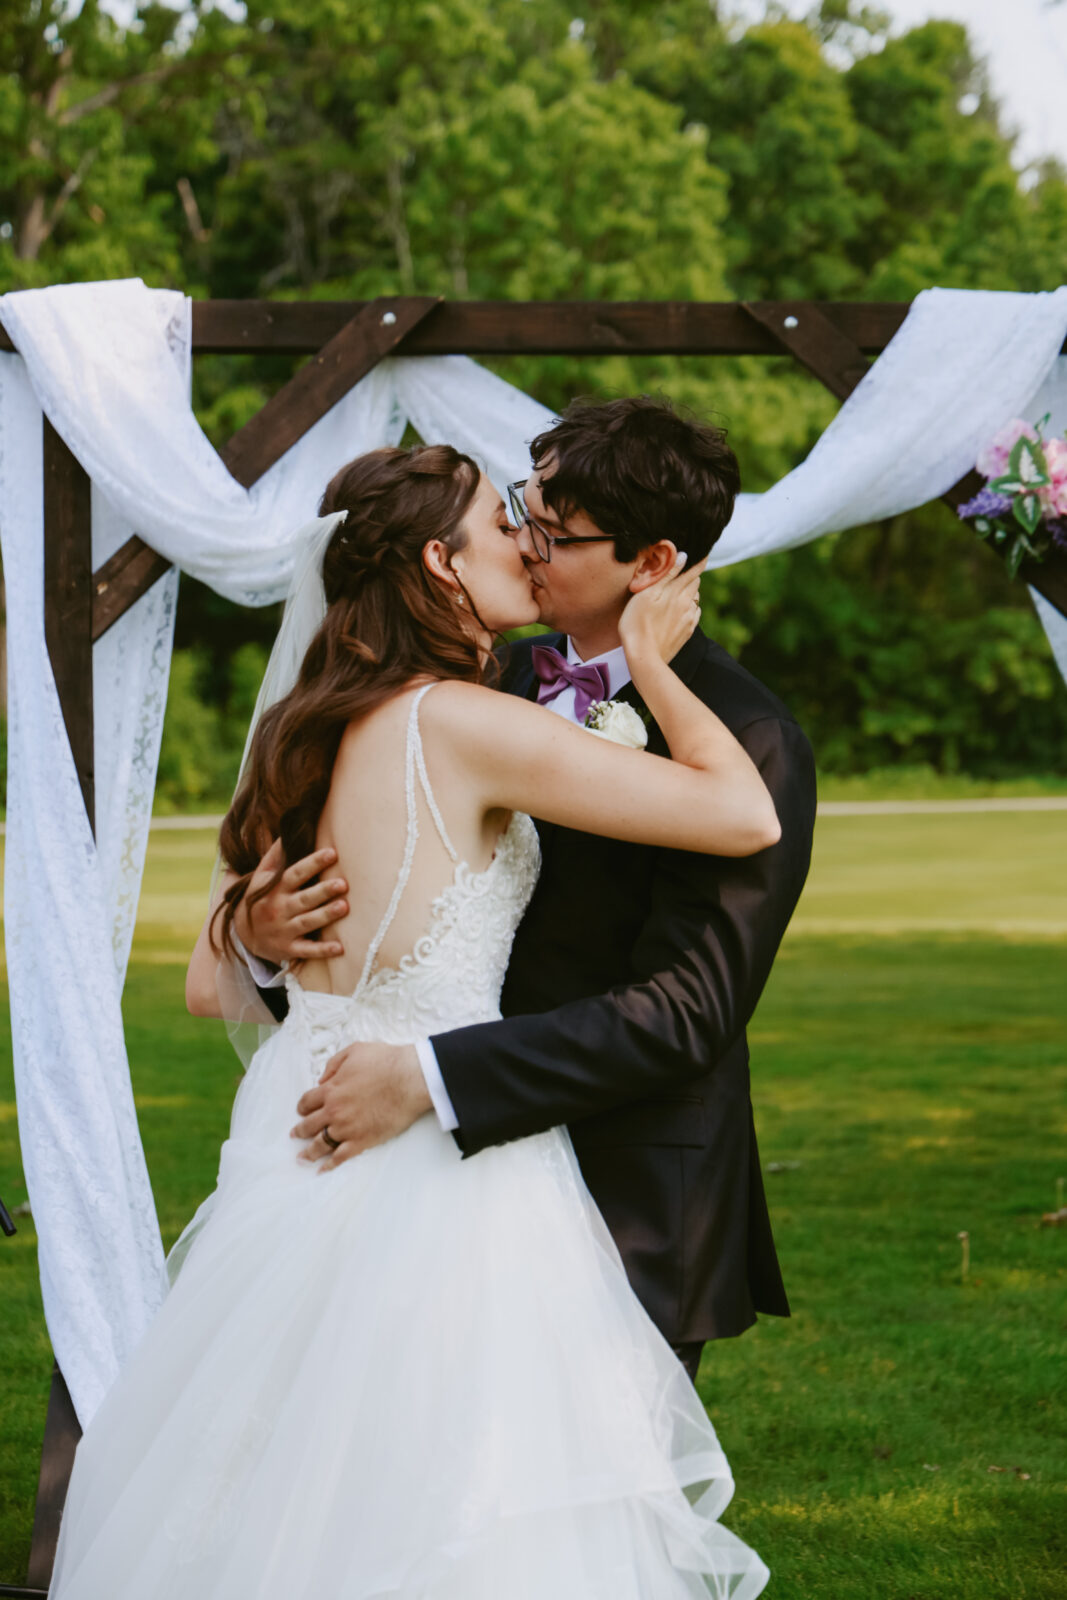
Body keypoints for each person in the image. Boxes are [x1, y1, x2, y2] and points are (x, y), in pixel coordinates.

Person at [50, 441, 776, 1599]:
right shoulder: (461, 722)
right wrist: (649, 657)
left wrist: (252, 929)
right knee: (460, 1488)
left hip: (296, 1137)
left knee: (279, 1469)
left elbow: (203, 981)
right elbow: (741, 813)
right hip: (441, 1162)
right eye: (503, 523)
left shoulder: (301, 725)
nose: (527, 543)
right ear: (441, 563)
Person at [245, 396, 818, 1383]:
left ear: (650, 563)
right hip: (427, 1171)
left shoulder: (746, 740)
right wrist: (267, 939)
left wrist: (433, 1075)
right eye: (522, 512)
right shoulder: (476, 681)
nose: (525, 543)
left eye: (555, 532)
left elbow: (686, 1011)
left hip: (626, 1186)